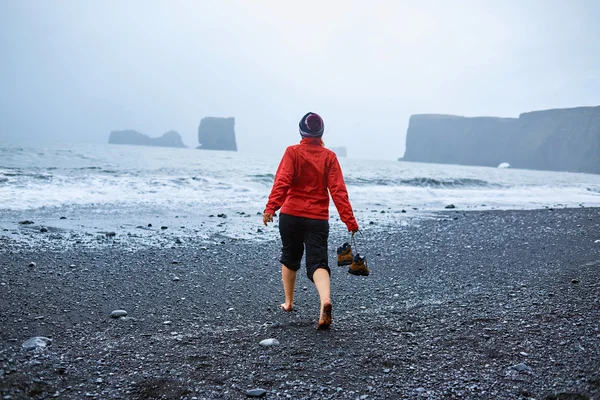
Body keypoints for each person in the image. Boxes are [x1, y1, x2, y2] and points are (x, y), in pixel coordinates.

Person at [263, 112, 359, 329]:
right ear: (321, 132)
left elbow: (283, 181)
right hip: (317, 218)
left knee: (290, 257)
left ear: (301, 131)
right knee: (317, 262)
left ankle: (288, 302)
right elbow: (338, 191)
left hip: (290, 215)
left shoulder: (292, 152)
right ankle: (325, 300)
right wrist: (349, 221)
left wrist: (271, 207)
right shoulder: (329, 157)